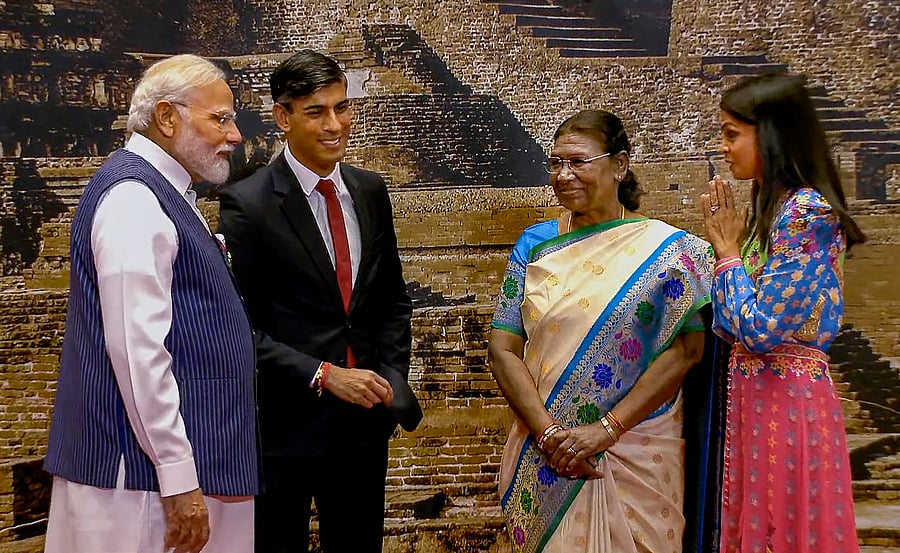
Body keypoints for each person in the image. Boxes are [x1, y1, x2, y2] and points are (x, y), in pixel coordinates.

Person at [43, 54, 258, 553]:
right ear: (167, 118)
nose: (235, 136)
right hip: (142, 489)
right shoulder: (134, 201)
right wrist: (178, 477)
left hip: (168, 475)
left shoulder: (160, 193)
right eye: (220, 119)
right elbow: (139, 355)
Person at [489, 109, 715, 553]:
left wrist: (607, 430)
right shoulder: (534, 245)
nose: (563, 175)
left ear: (620, 165)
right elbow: (503, 349)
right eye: (555, 163)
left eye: (578, 162)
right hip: (547, 454)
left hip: (639, 451)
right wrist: (549, 435)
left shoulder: (668, 252)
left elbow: (688, 351)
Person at [217, 49, 415, 552]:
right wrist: (325, 375)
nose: (335, 125)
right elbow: (239, 329)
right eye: (316, 111)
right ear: (283, 117)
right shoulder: (249, 203)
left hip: (363, 431)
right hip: (283, 431)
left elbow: (391, 301)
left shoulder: (369, 191)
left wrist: (390, 382)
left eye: (342, 107)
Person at [700, 72, 864, 553]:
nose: (723, 147)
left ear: (769, 134)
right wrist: (730, 254)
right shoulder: (767, 216)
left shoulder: (806, 214)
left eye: (732, 133)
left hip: (787, 400)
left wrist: (727, 253)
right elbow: (726, 324)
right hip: (754, 395)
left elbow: (758, 328)